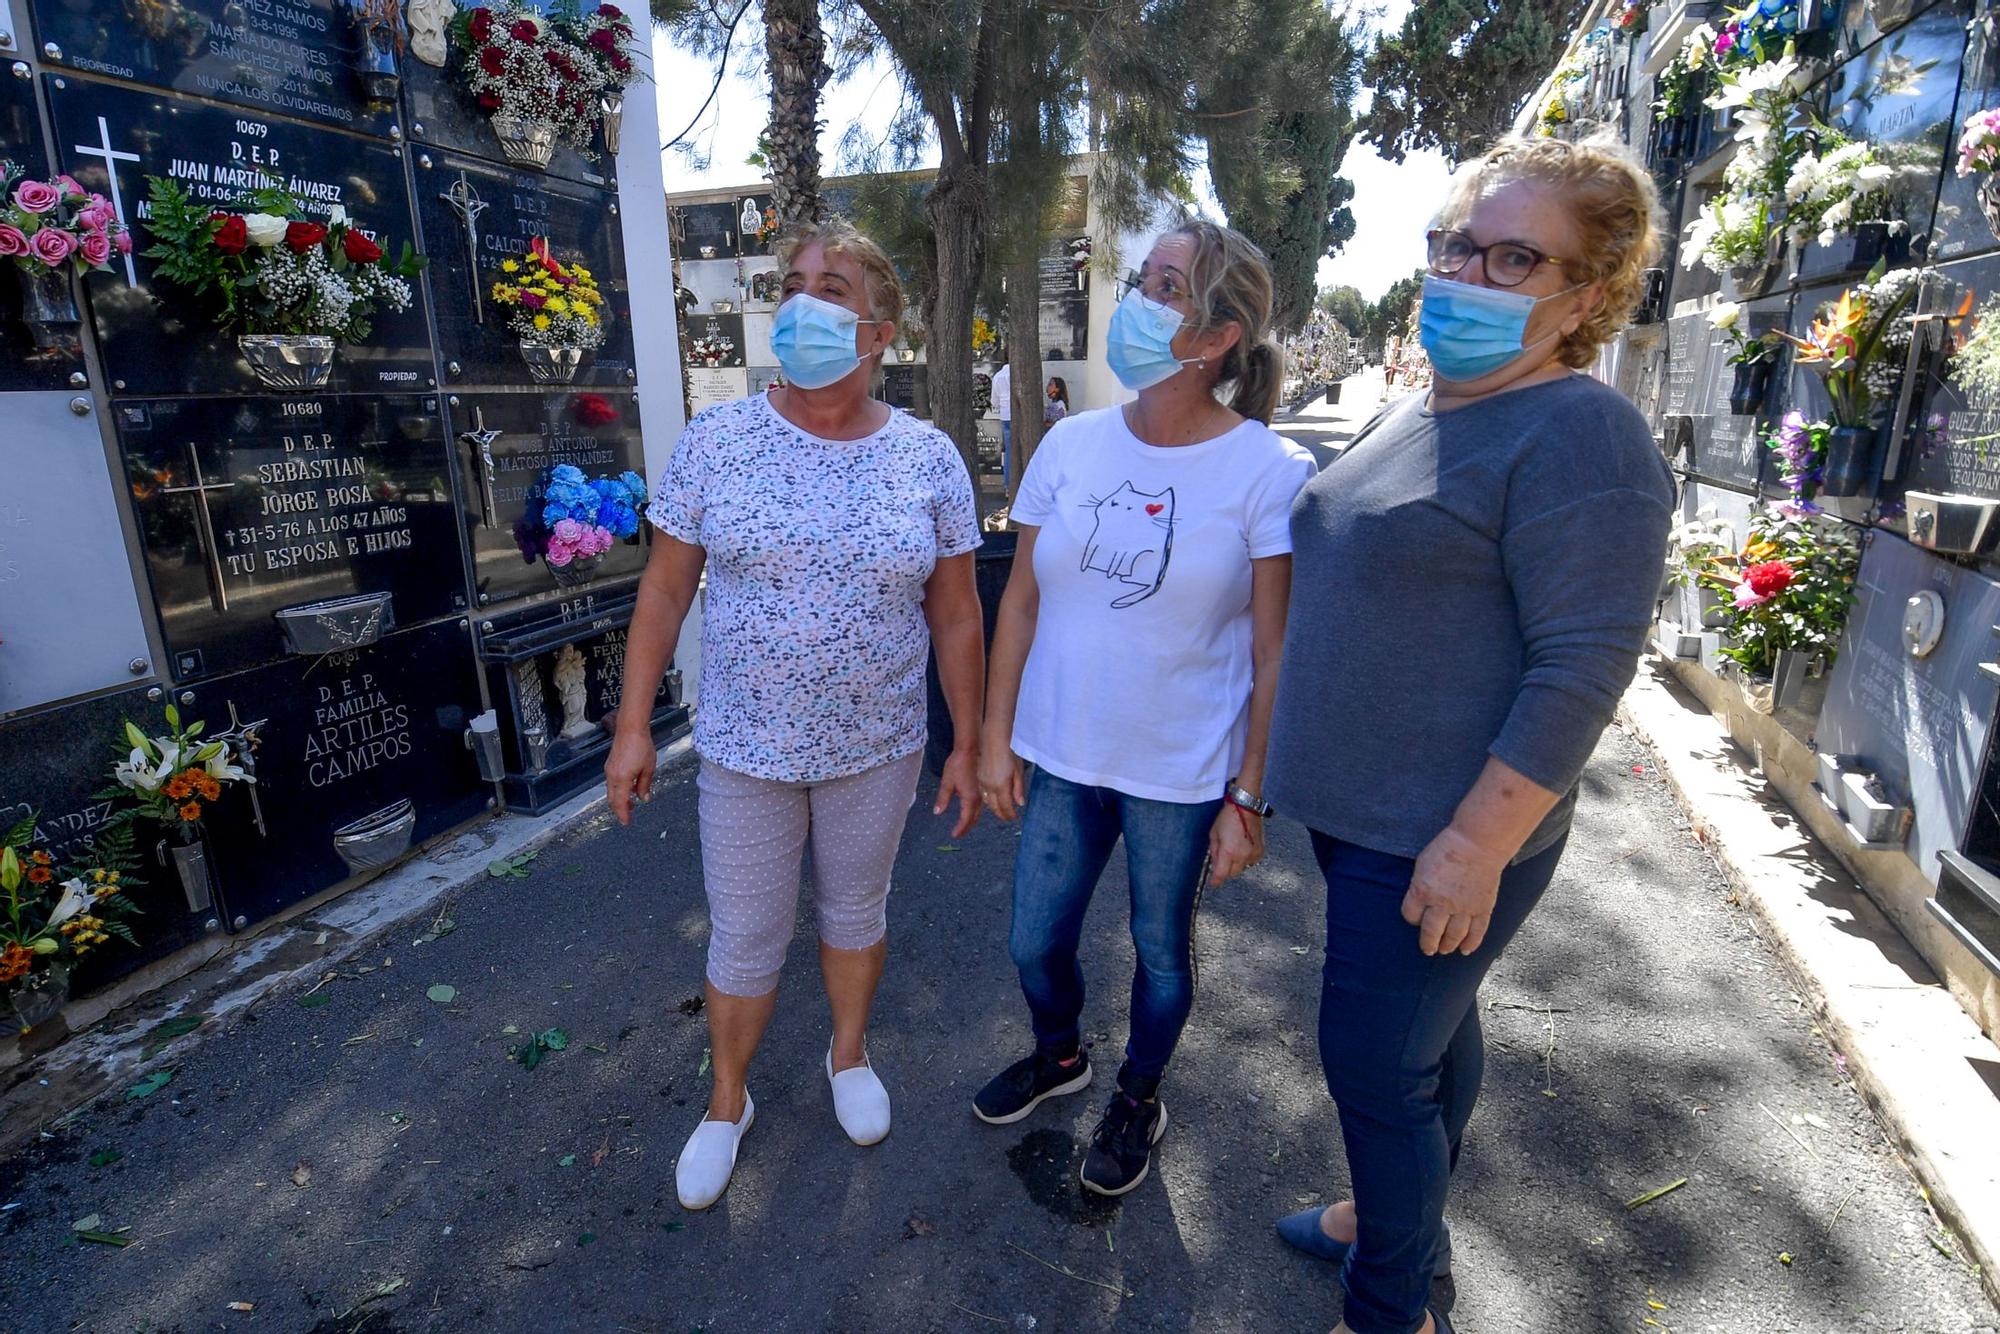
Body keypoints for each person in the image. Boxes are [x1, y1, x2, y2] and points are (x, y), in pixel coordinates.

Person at [1265, 135, 1674, 1334]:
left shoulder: (1581, 437)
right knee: (1428, 1043)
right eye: (1454, 246)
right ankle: (1394, 1219)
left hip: (1439, 832)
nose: (1465, 275)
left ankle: (1391, 1305)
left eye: (1511, 257)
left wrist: (1470, 845)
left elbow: (1583, 661)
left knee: (1372, 1062)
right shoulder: (1428, 404)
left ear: (1584, 296)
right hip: (1367, 814)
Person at [605, 220, 985, 1212]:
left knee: (856, 910)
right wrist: (632, 726)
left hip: (878, 743)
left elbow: (955, 614)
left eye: (837, 285)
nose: (807, 301)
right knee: (744, 936)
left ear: (880, 328)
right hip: (745, 746)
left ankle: (846, 1053)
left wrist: (971, 741)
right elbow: (662, 591)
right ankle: (727, 1102)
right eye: (796, 282)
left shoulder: (928, 458)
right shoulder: (719, 440)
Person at [972, 220, 1316, 1197]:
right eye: (1146, 276)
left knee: (1161, 952)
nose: (1134, 295)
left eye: (1164, 284)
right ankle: (1059, 1053)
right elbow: (1022, 599)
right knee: (1031, 939)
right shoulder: (1069, 444)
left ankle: (1137, 1093)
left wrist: (1248, 794)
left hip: (1178, 770)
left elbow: (1270, 650)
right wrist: (995, 738)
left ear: (1214, 336)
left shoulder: (1264, 470)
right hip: (1061, 752)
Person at [991, 358, 1013, 491]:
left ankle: (1008, 485)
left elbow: (994, 402)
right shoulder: (1017, 374)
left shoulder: (998, 376)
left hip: (1005, 415)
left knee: (1009, 452)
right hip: (1018, 414)